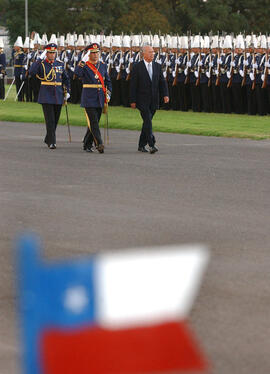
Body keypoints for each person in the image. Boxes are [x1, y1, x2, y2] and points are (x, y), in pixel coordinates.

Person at [29, 43, 70, 149]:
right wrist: (39, 59)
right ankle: (52, 142)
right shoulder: (41, 64)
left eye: (53, 53)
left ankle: (48, 138)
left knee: (56, 119)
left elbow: (65, 78)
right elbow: (32, 72)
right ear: (46, 53)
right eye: (50, 53)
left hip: (58, 94)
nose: (52, 55)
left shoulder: (60, 64)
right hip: (46, 94)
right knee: (50, 120)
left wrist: (68, 91)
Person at [129, 45, 169, 153]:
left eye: (153, 52)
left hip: (154, 99)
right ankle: (152, 144)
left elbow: (162, 82)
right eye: (150, 52)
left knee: (147, 122)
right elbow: (133, 85)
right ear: (144, 54)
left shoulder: (157, 66)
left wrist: (166, 94)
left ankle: (141, 145)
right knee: (147, 120)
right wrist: (132, 100)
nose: (153, 54)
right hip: (141, 99)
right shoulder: (137, 67)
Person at [74, 43, 112, 153]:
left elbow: (108, 81)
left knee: (94, 122)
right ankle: (99, 143)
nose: (95, 55)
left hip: (100, 97)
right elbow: (77, 74)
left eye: (97, 53)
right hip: (89, 97)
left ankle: (87, 143)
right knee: (94, 121)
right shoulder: (85, 66)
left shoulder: (103, 65)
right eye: (93, 53)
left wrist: (108, 94)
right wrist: (81, 63)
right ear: (89, 54)